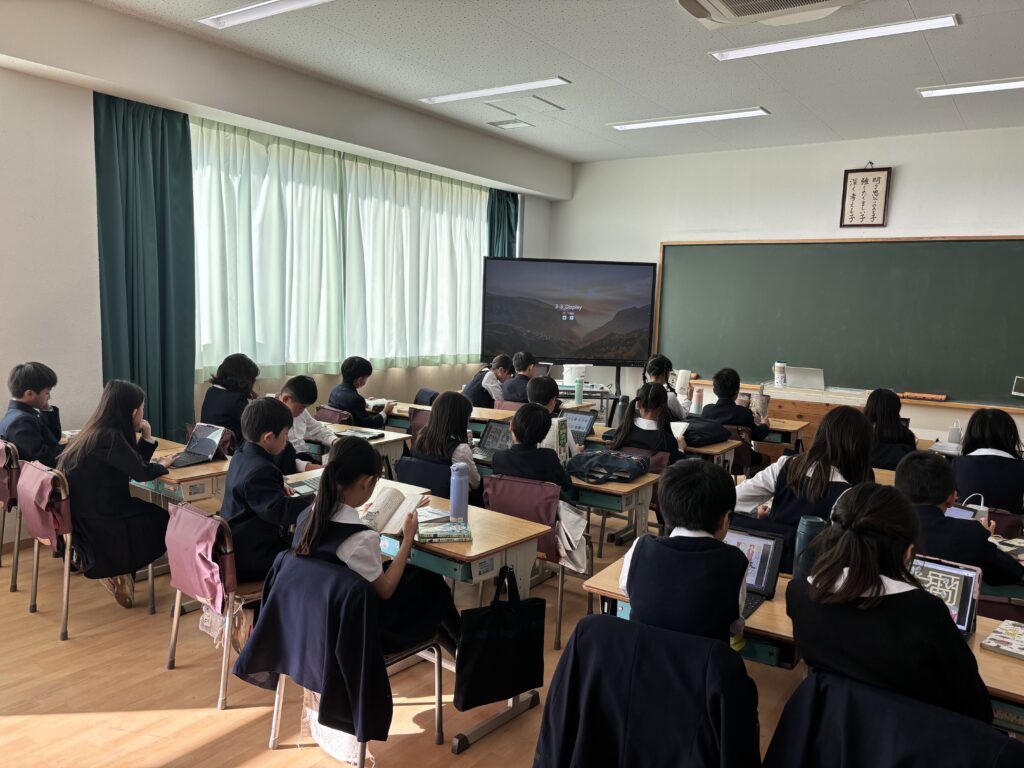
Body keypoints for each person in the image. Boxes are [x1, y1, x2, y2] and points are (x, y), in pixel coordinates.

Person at [786, 482, 992, 723]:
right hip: (905, 737)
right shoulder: (925, 613)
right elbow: (976, 707)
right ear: (907, 553)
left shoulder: (799, 593)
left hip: (827, 728)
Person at [293, 437, 460, 655]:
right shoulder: (360, 538)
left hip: (319, 620)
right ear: (367, 482)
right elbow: (385, 590)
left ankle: (460, 647)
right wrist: (408, 539)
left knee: (422, 577)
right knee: (432, 584)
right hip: (364, 632)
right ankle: (463, 645)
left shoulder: (306, 517)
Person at [58, 380, 176, 607]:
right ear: (133, 412)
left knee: (149, 513)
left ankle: (120, 571)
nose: (143, 414)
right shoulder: (110, 437)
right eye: (142, 409)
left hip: (86, 513)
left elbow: (130, 464)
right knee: (163, 519)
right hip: (103, 518)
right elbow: (141, 473)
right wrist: (163, 464)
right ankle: (118, 569)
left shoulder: (94, 431)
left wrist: (147, 438)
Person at [618, 460, 748, 642]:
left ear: (664, 510)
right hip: (702, 660)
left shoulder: (640, 547)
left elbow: (628, 591)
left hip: (643, 656)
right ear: (725, 519)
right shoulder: (735, 561)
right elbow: (734, 624)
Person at [734, 406, 872, 572]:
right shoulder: (848, 494)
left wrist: (763, 519)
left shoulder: (785, 465)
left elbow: (732, 498)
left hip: (768, 568)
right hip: (812, 574)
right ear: (860, 449)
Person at [896, 450, 1024, 585]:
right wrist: (987, 541)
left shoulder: (883, 527)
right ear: (952, 497)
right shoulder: (970, 534)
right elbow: (1012, 573)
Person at [220, 398, 311, 582]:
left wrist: (276, 485)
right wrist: (315, 499)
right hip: (251, 557)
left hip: (236, 545)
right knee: (313, 555)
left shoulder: (241, 454)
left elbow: (255, 489)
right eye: (285, 434)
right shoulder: (261, 470)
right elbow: (281, 513)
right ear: (268, 438)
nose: (287, 440)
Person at [491, 403, 573, 498]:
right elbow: (566, 485)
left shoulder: (498, 457)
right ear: (544, 437)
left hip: (507, 506)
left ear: (511, 426)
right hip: (541, 507)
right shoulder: (548, 458)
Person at [953, 408, 1024, 515]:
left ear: (972, 433)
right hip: (1007, 525)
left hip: (966, 523)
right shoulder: (1020, 468)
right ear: (1010, 435)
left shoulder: (958, 464)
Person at [411, 391, 480, 492]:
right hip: (452, 498)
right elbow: (475, 483)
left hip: (425, 495)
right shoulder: (461, 450)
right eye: (468, 416)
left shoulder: (419, 439)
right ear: (460, 419)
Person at [1, 362, 63, 468]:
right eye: (47, 392)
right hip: (46, 474)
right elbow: (43, 459)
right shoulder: (21, 421)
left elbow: (53, 438)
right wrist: (71, 451)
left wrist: (47, 410)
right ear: (29, 394)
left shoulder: (18, 415)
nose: (49, 397)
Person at [607, 382, 686, 464]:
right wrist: (680, 449)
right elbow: (678, 467)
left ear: (638, 404)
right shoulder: (668, 440)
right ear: (663, 408)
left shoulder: (622, 432)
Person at [271, 375, 337, 471]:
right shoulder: (267, 414)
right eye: (301, 407)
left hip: (303, 459)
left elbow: (317, 429)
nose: (302, 411)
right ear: (286, 399)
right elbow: (277, 456)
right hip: (285, 466)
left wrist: (335, 441)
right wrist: (310, 467)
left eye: (305, 407)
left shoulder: (299, 410)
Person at [199, 353, 259, 445]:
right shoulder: (236, 399)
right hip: (229, 448)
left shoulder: (211, 391)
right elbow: (253, 425)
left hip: (209, 444)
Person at [700, 368, 769, 441]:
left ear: (714, 390)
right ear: (737, 391)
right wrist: (765, 425)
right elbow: (758, 436)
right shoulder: (745, 414)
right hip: (740, 449)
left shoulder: (707, 411)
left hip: (715, 448)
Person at [328, 356, 394, 428]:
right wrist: (385, 411)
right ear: (360, 379)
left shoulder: (335, 390)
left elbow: (348, 403)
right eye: (366, 378)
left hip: (335, 430)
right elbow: (370, 425)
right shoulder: (356, 399)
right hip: (352, 433)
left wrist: (365, 402)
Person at [527, 375, 581, 456]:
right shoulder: (560, 426)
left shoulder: (521, 423)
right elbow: (575, 456)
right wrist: (577, 449)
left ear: (529, 398)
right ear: (554, 400)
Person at [865, 388, 916, 471]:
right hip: (898, 478)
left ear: (869, 407)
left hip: (866, 478)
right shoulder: (906, 435)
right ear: (896, 410)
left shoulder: (859, 433)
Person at [642, 354, 691, 421]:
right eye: (669, 372)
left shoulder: (641, 392)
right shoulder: (669, 396)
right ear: (665, 372)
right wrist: (689, 398)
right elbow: (683, 415)